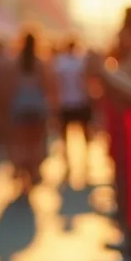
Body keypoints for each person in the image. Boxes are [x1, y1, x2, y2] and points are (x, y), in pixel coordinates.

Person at [8, 33, 54, 192]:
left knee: (21, 143)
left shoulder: (16, 62)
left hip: (20, 106)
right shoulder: (40, 63)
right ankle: (33, 171)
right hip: (36, 106)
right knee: (36, 142)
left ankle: (21, 173)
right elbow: (46, 85)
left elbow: (11, 85)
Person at [52, 38, 93, 180]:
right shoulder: (79, 61)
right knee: (84, 133)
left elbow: (57, 84)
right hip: (79, 101)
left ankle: (68, 163)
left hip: (66, 102)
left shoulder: (60, 62)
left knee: (65, 136)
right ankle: (85, 161)